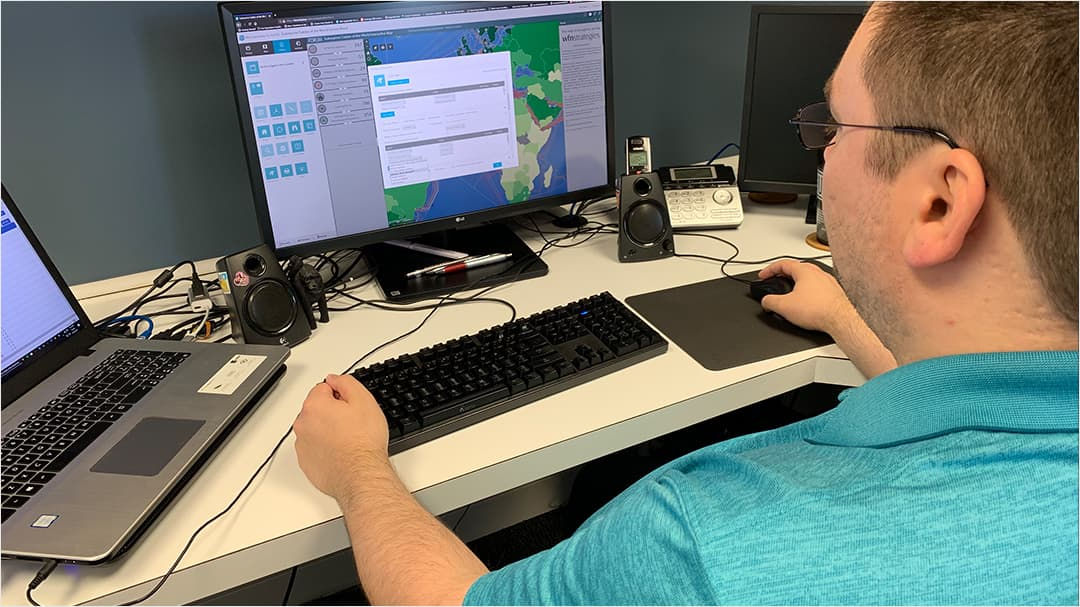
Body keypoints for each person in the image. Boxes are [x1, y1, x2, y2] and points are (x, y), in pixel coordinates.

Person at [292, 3, 1078, 604]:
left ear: (939, 203)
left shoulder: (699, 541)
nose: (820, 150)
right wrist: (843, 317)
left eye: (833, 127)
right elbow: (965, 403)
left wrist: (357, 467)